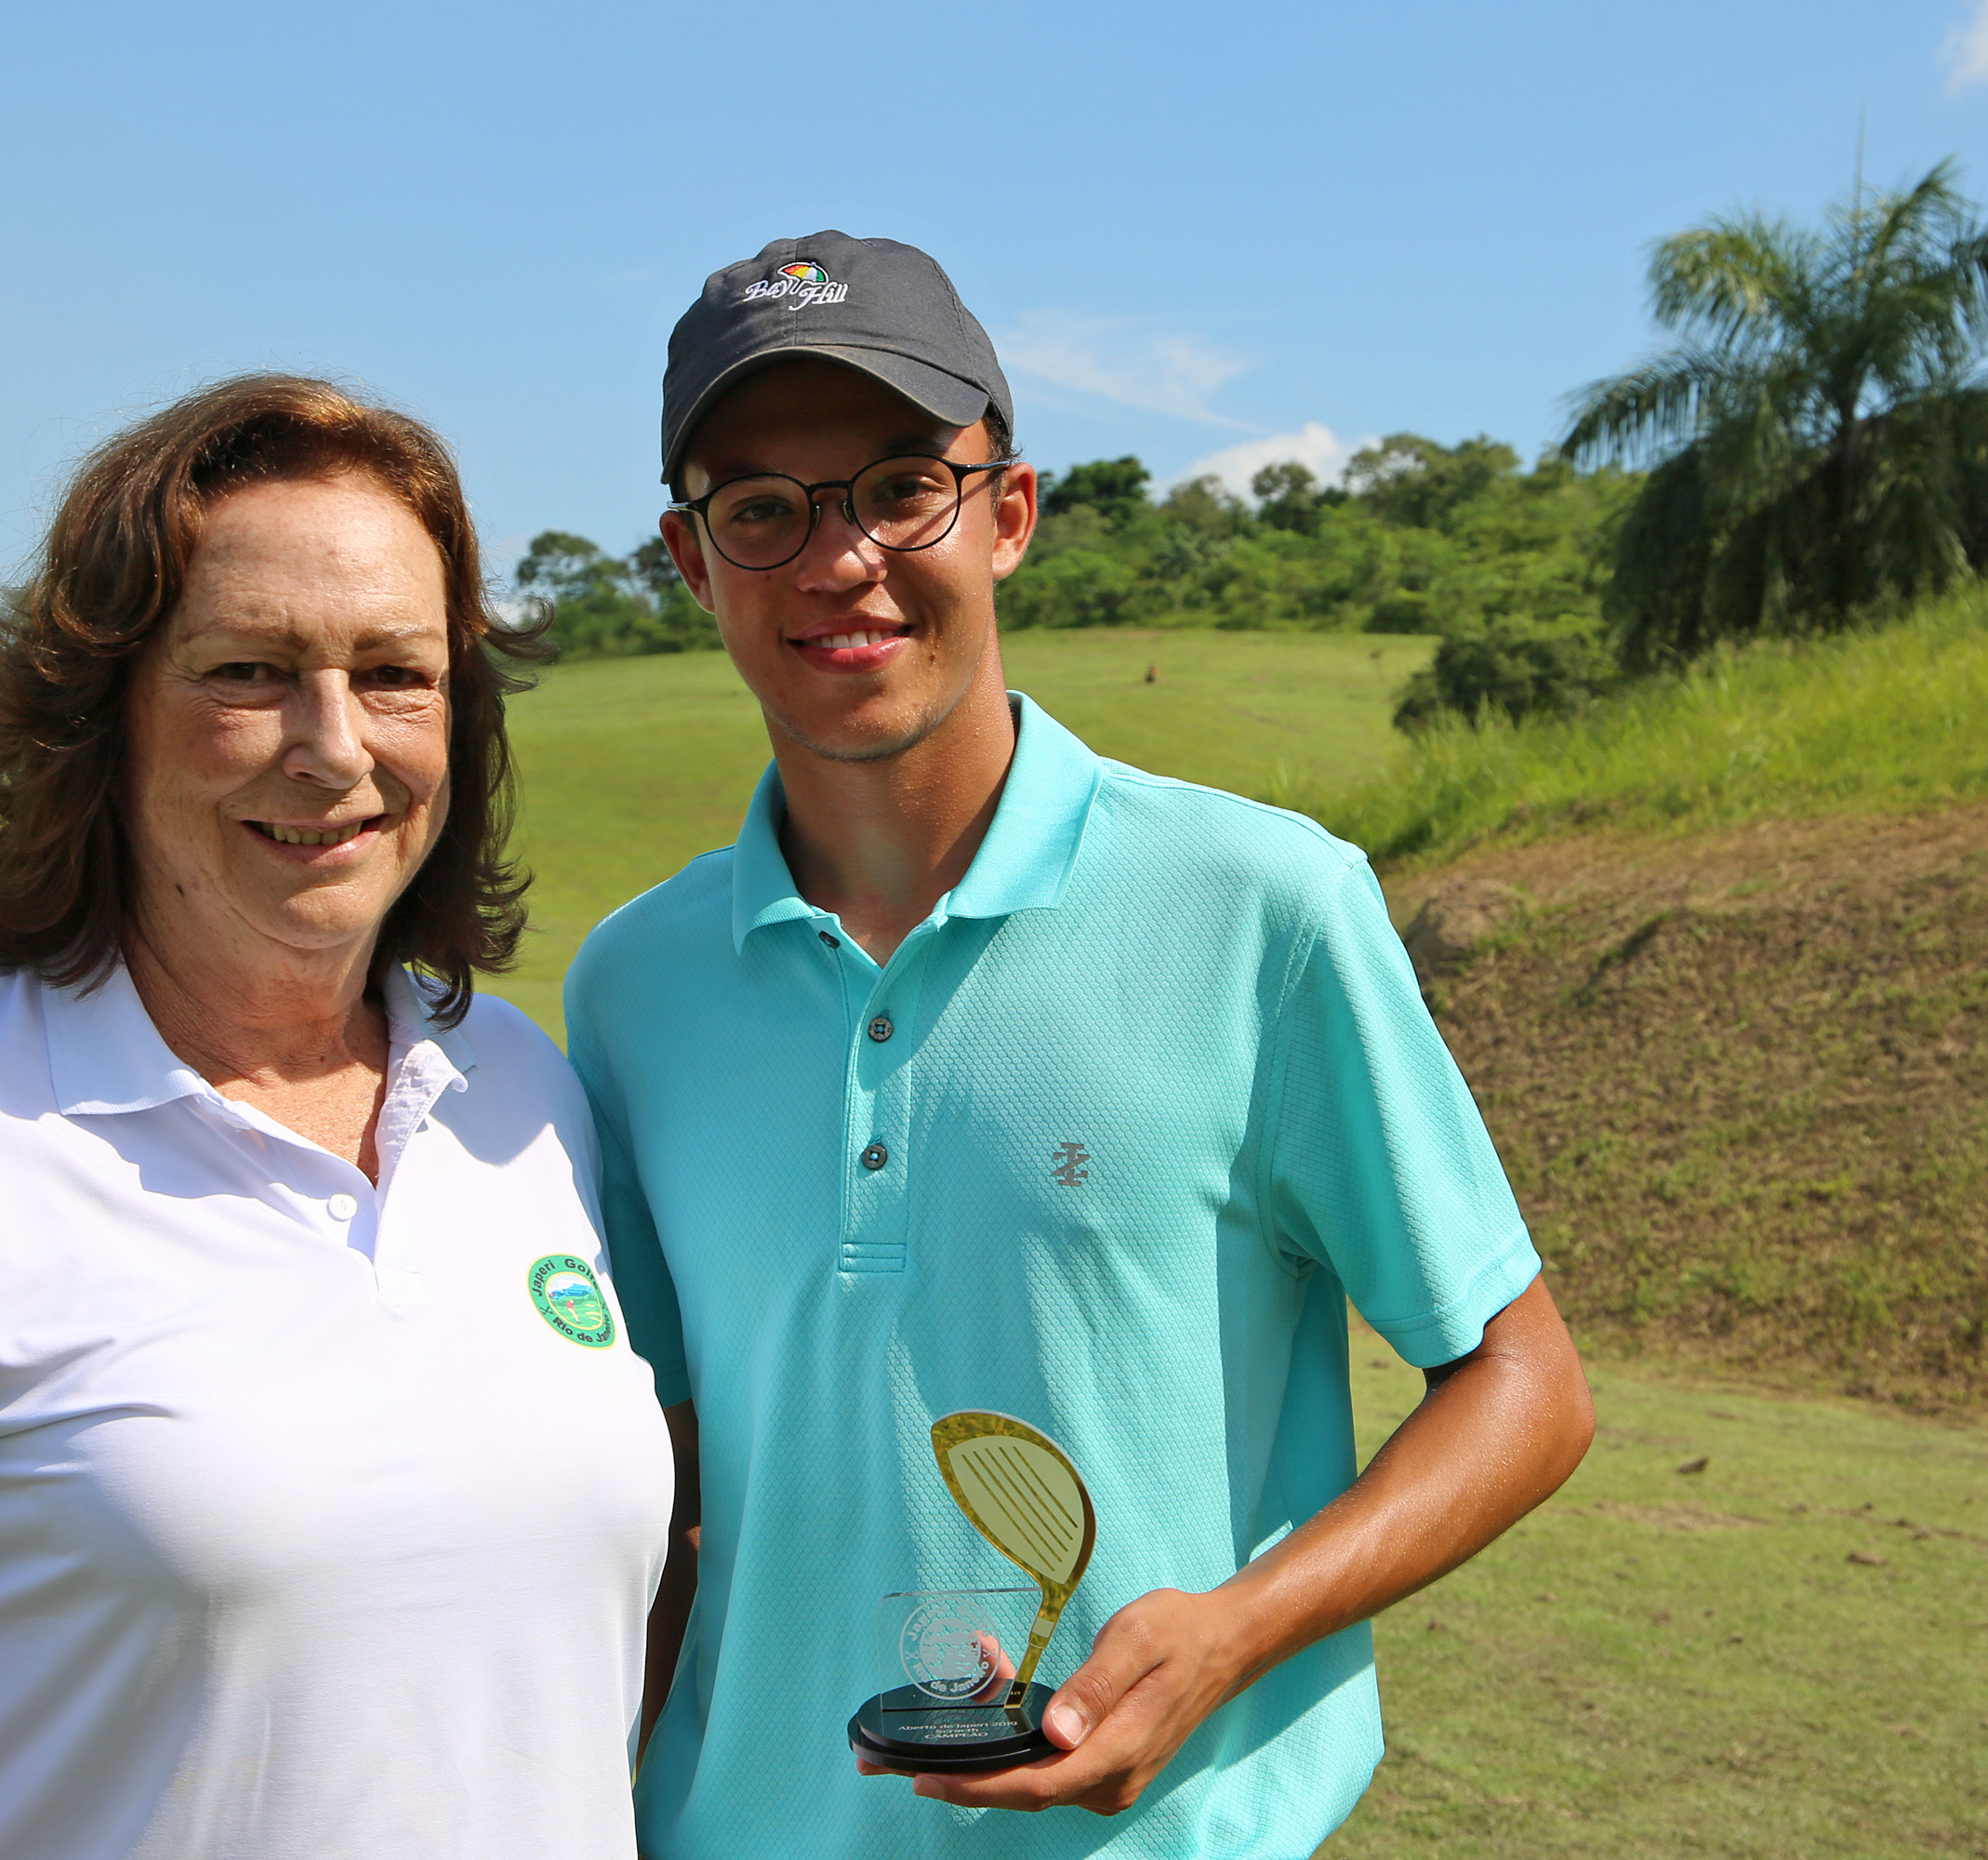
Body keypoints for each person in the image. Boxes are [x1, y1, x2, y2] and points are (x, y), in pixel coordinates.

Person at [564, 233, 1597, 1858]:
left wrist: (1240, 1629)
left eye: (904, 485)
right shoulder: (632, 990)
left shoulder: (1266, 908)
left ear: (1011, 513)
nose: (840, 561)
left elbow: (1525, 1383)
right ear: (695, 566)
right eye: (763, 509)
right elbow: (666, 1495)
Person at [0, 376, 671, 1860]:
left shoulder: (525, 1092)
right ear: (102, 717)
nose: (334, 746)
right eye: (247, 672)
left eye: (394, 674)